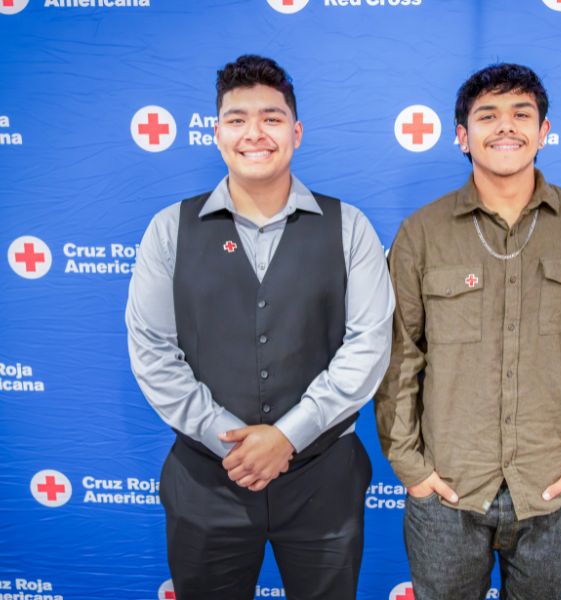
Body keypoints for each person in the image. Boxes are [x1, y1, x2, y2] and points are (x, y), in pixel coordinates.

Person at [126, 55, 393, 600]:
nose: (255, 133)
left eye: (271, 118)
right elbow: (153, 350)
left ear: (295, 132)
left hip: (325, 481)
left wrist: (287, 437)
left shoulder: (351, 227)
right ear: (217, 132)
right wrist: (234, 444)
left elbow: (368, 344)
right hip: (207, 481)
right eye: (237, 118)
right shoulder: (168, 230)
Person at [374, 63, 561, 600]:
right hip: (447, 492)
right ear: (463, 136)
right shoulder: (421, 234)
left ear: (544, 131)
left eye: (521, 114)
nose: (506, 126)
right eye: (487, 115)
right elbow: (400, 356)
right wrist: (411, 468)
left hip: (555, 490)